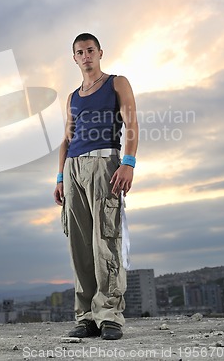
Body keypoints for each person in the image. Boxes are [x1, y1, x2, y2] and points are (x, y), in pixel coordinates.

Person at [53, 33, 138, 340]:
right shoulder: (73, 96)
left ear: (100, 52)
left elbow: (131, 123)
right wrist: (60, 177)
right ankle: (87, 315)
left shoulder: (117, 83)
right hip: (73, 168)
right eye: (80, 52)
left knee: (106, 238)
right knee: (80, 245)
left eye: (90, 50)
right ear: (74, 58)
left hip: (105, 164)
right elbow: (66, 139)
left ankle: (110, 314)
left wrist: (128, 162)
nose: (86, 55)